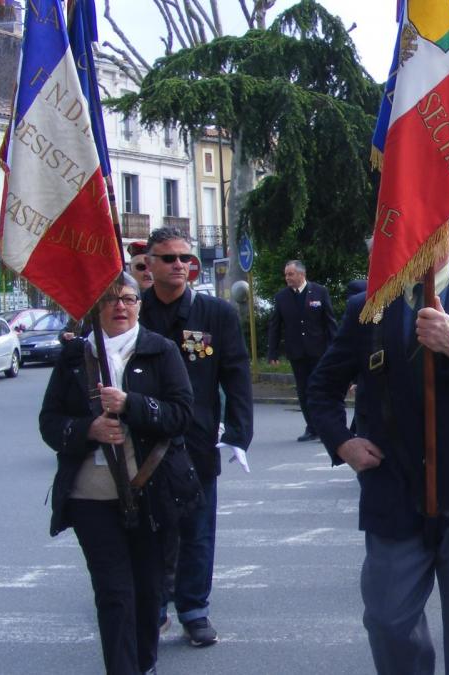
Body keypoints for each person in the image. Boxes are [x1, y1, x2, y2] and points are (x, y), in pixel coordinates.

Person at [307, 242, 449, 675]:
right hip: (395, 488)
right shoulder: (367, 307)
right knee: (387, 620)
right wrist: (343, 443)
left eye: (437, 228)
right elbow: (322, 389)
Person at [40, 273, 198, 675]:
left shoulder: (159, 351)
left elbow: (181, 415)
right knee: (114, 594)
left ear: (139, 305)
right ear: (96, 307)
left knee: (148, 595)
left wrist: (132, 404)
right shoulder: (76, 357)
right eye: (110, 299)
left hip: (151, 494)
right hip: (91, 498)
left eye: (128, 298)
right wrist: (86, 430)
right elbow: (50, 422)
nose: (120, 307)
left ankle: (143, 664)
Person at [139, 226, 254, 647]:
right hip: (145, 439)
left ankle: (193, 609)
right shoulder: (136, 312)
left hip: (196, 440)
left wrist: (240, 431)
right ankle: (153, 608)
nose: (180, 265)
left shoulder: (215, 315)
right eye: (168, 258)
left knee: (197, 529)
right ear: (149, 265)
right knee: (149, 530)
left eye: (186, 258)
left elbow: (236, 374)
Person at [267, 260, 339, 442]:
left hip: (319, 351)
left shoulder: (319, 292)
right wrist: (272, 352)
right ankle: (311, 427)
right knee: (304, 391)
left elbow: (329, 322)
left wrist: (336, 349)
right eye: (286, 274)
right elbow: (275, 326)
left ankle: (326, 427)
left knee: (320, 389)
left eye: (290, 274)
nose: (287, 278)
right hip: (297, 352)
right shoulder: (281, 297)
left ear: (301, 274)